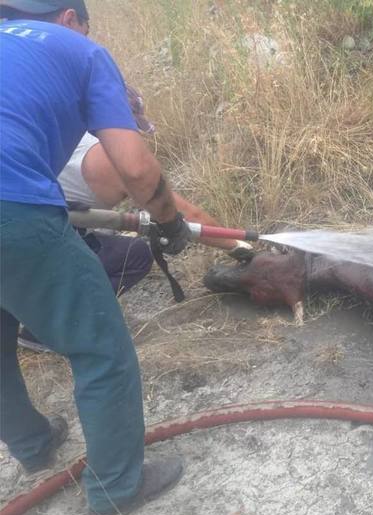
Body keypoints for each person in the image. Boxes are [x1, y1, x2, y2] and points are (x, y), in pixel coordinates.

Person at [0, 0, 186, 515]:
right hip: (10, 206)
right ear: (68, 19)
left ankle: (34, 447)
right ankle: (117, 488)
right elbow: (133, 166)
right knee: (100, 344)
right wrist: (169, 222)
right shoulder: (83, 51)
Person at [16, 85, 252, 352]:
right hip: (27, 243)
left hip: (38, 229)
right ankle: (46, 328)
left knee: (132, 254)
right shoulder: (107, 161)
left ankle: (28, 303)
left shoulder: (74, 133)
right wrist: (241, 248)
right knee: (123, 263)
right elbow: (185, 215)